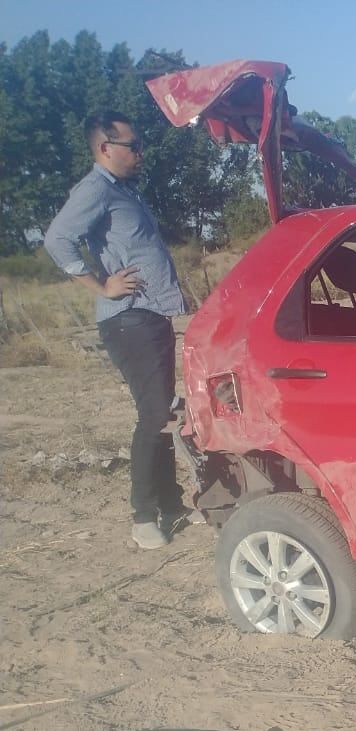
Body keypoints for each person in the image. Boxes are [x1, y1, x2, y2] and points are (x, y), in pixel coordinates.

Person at [44, 111, 189, 549]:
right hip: (128, 319)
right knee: (153, 416)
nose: (141, 152)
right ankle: (143, 516)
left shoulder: (124, 190)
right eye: (133, 145)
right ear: (106, 148)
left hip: (149, 315)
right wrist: (101, 285)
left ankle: (172, 504)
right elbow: (57, 239)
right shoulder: (94, 189)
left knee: (162, 412)